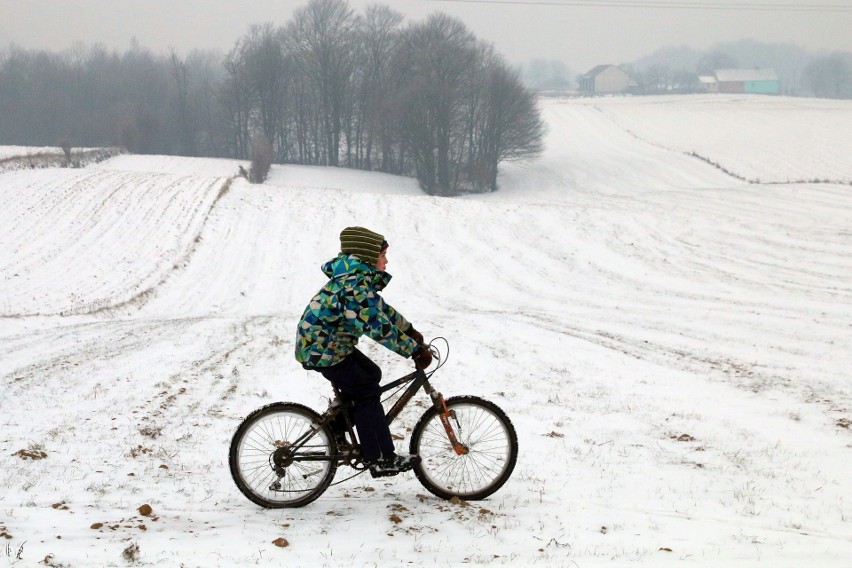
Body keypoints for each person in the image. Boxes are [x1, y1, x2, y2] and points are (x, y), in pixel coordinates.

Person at [295, 226, 432, 478]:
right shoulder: (354, 286)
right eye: (383, 255)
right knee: (367, 390)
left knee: (371, 373)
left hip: (328, 346)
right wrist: (412, 349)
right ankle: (379, 458)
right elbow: (376, 326)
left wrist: (410, 331)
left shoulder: (357, 281)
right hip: (323, 350)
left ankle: (336, 428)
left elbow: (383, 310)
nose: (386, 261)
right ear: (368, 256)